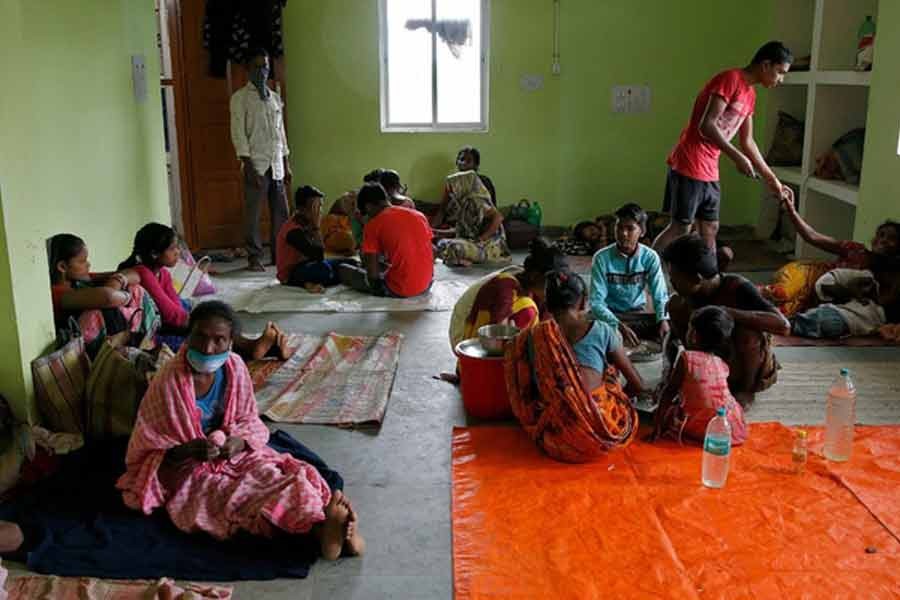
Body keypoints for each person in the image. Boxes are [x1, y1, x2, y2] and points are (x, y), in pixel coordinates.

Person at [116, 301, 364, 560]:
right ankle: (321, 531)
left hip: (233, 453)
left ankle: (324, 526)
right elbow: (147, 444)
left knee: (281, 476)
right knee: (227, 495)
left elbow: (247, 418)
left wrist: (238, 443)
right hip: (189, 467)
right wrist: (185, 450)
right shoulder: (168, 381)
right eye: (200, 337)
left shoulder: (235, 368)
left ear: (231, 342)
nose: (208, 348)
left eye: (219, 340)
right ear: (188, 336)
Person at [653, 41, 795, 258]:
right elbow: (706, 125)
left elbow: (748, 142)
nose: (781, 79)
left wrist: (771, 179)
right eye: (780, 72)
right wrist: (737, 157)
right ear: (766, 65)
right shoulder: (730, 79)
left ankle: (708, 280)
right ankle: (644, 273)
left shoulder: (750, 95)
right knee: (681, 228)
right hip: (689, 162)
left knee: (710, 228)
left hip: (710, 169)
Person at [120, 223, 290, 359]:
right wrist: (202, 322)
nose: (178, 253)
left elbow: (176, 306)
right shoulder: (142, 272)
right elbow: (171, 316)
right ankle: (253, 348)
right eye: (173, 249)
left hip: (167, 325)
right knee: (207, 337)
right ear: (155, 253)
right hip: (148, 337)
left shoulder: (161, 273)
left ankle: (259, 348)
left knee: (216, 315)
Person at [662, 234, 790, 406]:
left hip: (739, 364)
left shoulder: (738, 287)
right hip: (708, 364)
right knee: (674, 305)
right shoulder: (684, 299)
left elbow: (783, 326)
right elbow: (672, 338)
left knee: (748, 333)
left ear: (697, 279)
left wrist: (728, 312)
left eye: (674, 277)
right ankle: (698, 376)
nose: (671, 282)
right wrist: (668, 376)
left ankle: (745, 390)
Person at [761, 196, 900, 316]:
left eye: (891, 238)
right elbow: (812, 237)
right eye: (881, 235)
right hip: (808, 276)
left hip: (816, 298)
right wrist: (791, 209)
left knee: (780, 312)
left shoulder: (889, 275)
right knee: (780, 292)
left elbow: (883, 302)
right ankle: (742, 291)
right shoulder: (856, 250)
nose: (883, 240)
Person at [230, 48, 291, 272]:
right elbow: (238, 133)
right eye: (257, 66)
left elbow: (280, 132)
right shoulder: (240, 99)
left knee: (281, 213)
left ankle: (280, 254)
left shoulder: (274, 98)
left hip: (276, 163)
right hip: (256, 163)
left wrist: (286, 162)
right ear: (248, 69)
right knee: (254, 213)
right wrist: (247, 165)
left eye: (265, 66)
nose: (262, 71)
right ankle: (254, 257)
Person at [651, 305, 748, 445]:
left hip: (704, 429)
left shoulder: (686, 358)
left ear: (694, 336)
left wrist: (657, 426)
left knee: (669, 410)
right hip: (729, 428)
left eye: (690, 328)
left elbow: (669, 392)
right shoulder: (721, 363)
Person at [547, 271, 644, 398]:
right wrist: (614, 399)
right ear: (583, 302)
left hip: (550, 414)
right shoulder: (601, 330)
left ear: (548, 305)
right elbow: (637, 385)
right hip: (594, 414)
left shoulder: (533, 336)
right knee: (611, 372)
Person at [48, 234, 151, 354]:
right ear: (62, 267)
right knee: (99, 310)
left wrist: (118, 280)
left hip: (110, 337)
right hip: (84, 351)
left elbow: (133, 274)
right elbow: (107, 297)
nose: (88, 264)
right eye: (82, 261)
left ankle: (137, 339)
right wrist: (126, 297)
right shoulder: (58, 293)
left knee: (134, 288)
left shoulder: (79, 280)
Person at [590, 203, 670, 346]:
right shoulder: (601, 258)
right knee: (591, 325)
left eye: (630, 228)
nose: (623, 233)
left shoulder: (650, 257)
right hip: (610, 314)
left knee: (666, 329)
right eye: (619, 228)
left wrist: (663, 320)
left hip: (637, 314)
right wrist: (617, 324)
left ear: (642, 231)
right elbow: (596, 303)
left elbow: (660, 294)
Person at [338, 182, 434, 297]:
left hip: (400, 289)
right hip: (427, 284)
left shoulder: (373, 224)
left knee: (343, 269)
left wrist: (377, 289)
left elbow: (372, 273)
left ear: (368, 206)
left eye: (365, 213)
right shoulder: (419, 215)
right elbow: (432, 250)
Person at [276, 185, 359, 293]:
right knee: (325, 269)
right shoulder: (293, 230)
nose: (319, 211)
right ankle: (312, 281)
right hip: (291, 273)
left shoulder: (306, 223)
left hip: (308, 264)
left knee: (351, 262)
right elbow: (318, 256)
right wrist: (316, 227)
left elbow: (319, 257)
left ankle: (334, 276)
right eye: (315, 207)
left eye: (320, 206)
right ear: (302, 209)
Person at [433, 171, 510, 267]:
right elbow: (459, 230)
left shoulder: (477, 201)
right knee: (441, 243)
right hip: (471, 241)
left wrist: (481, 239)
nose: (452, 192)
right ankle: (462, 259)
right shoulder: (463, 204)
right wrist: (436, 232)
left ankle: (464, 258)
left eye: (453, 187)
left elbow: (498, 217)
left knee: (454, 247)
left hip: (488, 245)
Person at [790, 268, 888, 339]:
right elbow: (851, 285)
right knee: (814, 321)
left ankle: (791, 323)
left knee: (811, 320)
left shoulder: (872, 305)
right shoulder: (869, 279)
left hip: (833, 314)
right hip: (828, 284)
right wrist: (860, 298)